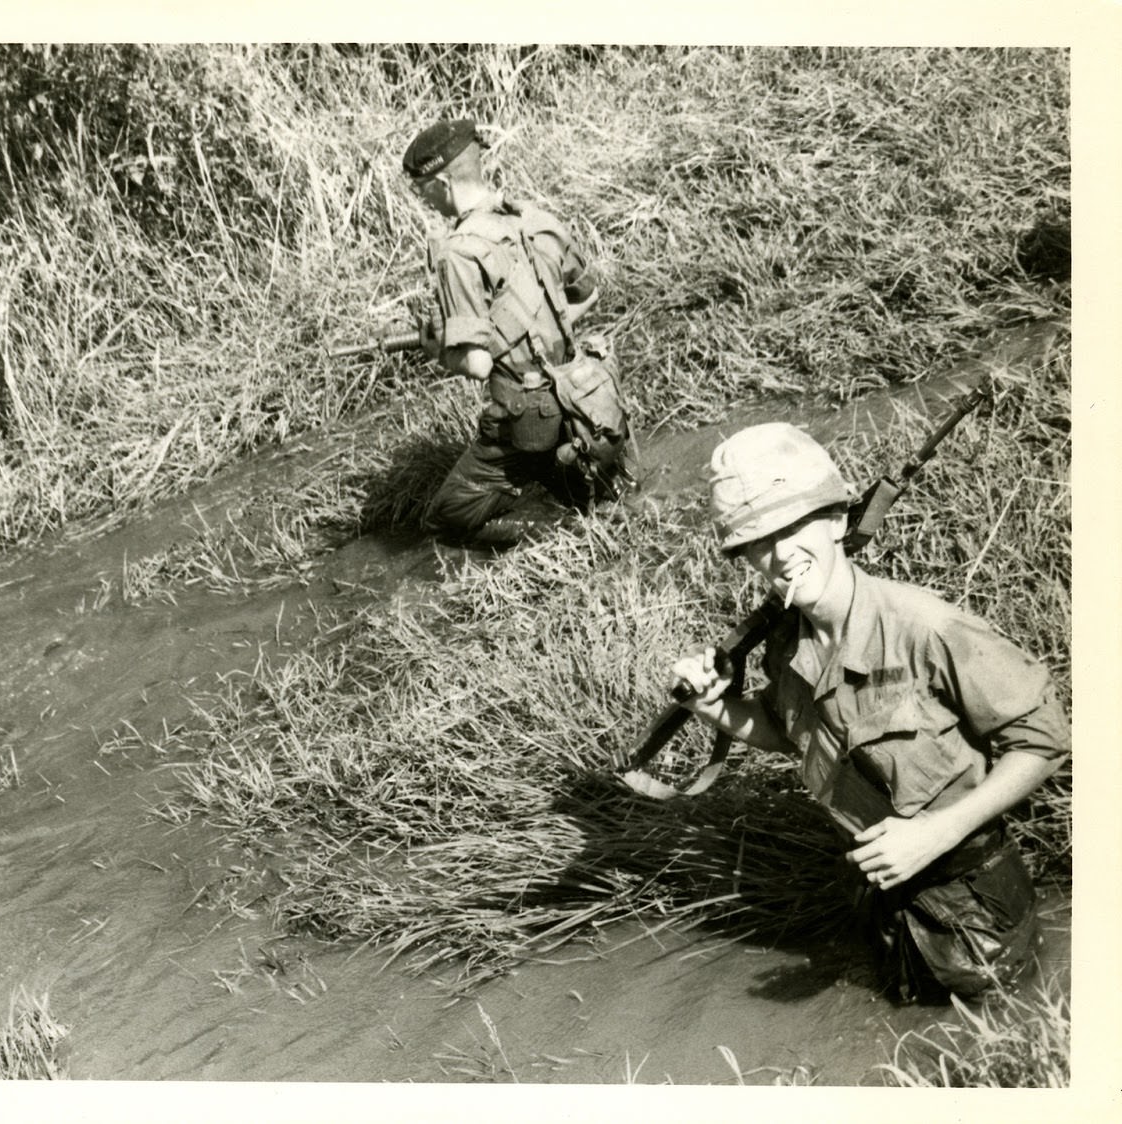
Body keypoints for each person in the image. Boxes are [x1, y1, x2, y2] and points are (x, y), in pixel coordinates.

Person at [668, 422, 1069, 1001]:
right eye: (758, 541)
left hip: (973, 898)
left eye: (793, 526)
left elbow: (1045, 740)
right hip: (879, 887)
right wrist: (712, 706)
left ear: (835, 520)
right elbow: (790, 733)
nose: (779, 555)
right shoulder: (789, 644)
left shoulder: (926, 629)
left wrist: (936, 832)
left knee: (1008, 1011)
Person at [403, 119, 630, 544]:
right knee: (572, 478)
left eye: (422, 190)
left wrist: (439, 350)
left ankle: (553, 535)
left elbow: (477, 363)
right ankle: (583, 484)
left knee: (447, 517)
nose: (424, 200)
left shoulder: (458, 253)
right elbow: (587, 295)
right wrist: (536, 336)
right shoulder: (534, 218)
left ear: (441, 184)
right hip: (583, 391)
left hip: (530, 415)